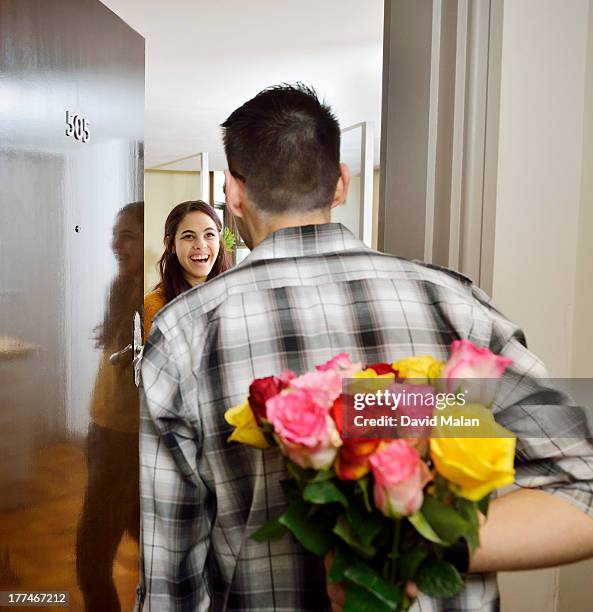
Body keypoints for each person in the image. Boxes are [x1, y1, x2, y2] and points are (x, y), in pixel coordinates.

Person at [137, 84, 593, 611]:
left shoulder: (183, 334)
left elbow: (172, 578)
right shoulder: (455, 305)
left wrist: (381, 546)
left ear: (233, 195)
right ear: (340, 184)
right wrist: (425, 541)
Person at [77, 201, 144, 612]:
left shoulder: (157, 298)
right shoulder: (121, 289)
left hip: (127, 443)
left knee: (90, 557)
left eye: (128, 235)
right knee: (141, 537)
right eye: (115, 234)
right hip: (102, 433)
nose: (116, 244)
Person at [143, 200, 232, 340]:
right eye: (188, 236)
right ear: (171, 244)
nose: (200, 245)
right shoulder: (153, 307)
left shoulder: (237, 297)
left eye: (209, 235)